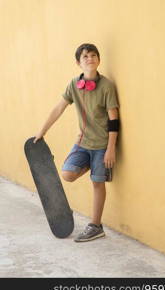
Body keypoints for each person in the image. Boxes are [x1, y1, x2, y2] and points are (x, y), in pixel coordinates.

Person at [33, 43, 119, 242]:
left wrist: (111, 149)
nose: (90, 59)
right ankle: (95, 168)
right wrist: (42, 131)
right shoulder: (73, 84)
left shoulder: (106, 86)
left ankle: (96, 226)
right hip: (82, 143)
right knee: (67, 174)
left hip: (102, 145)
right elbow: (59, 108)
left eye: (93, 55)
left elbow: (114, 119)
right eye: (85, 56)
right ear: (78, 63)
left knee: (97, 183)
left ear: (99, 59)